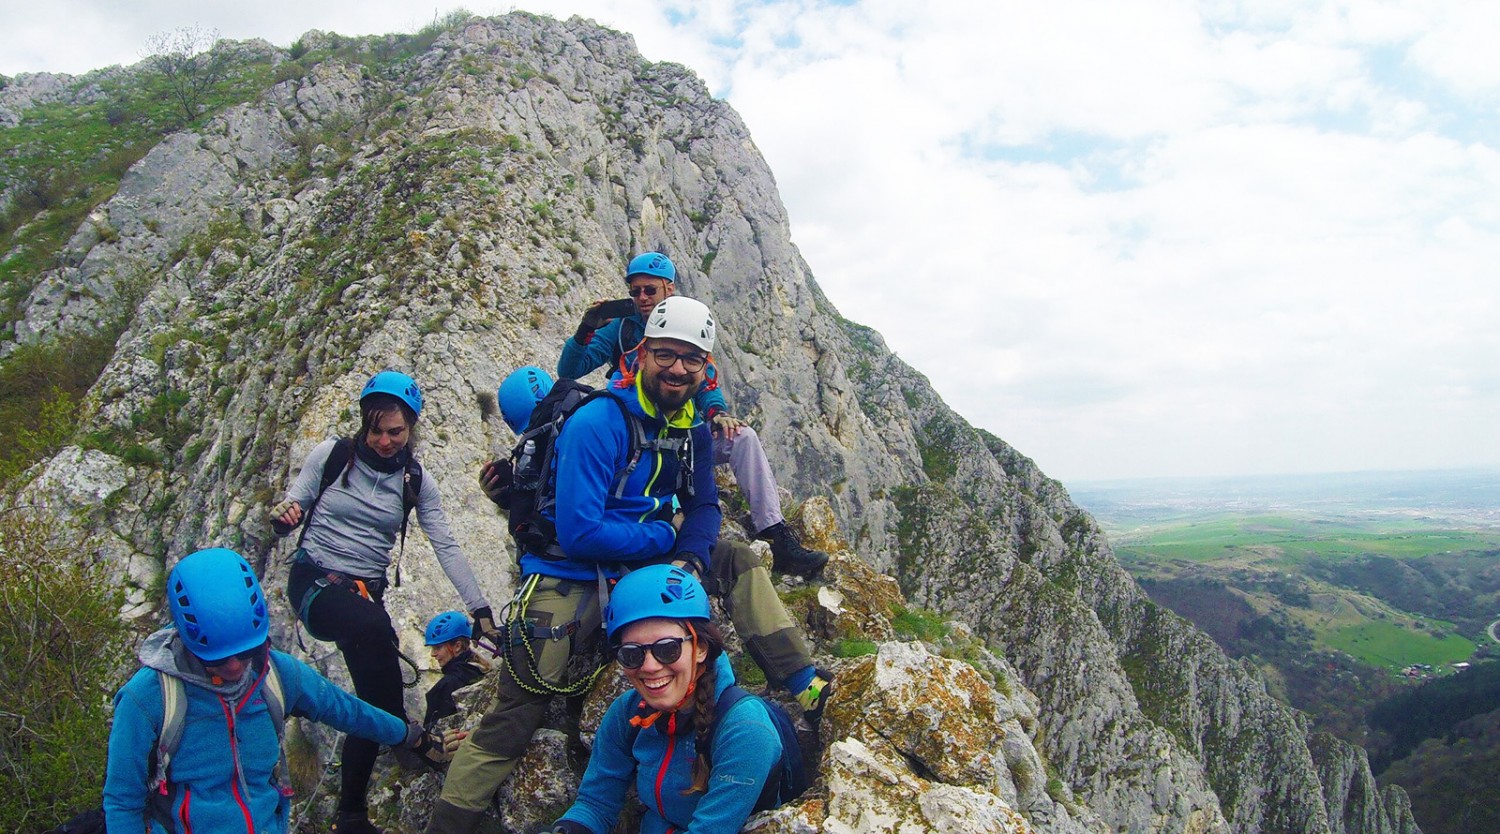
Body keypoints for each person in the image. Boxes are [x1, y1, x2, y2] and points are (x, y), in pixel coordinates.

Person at [428, 298, 827, 833]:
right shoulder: (598, 422)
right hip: (572, 571)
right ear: (641, 354)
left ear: (706, 368)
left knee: (731, 554)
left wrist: (688, 555)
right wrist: (666, 534)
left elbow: (705, 506)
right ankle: (448, 823)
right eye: (666, 354)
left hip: (647, 556)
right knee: (518, 706)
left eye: (692, 359)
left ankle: (804, 681)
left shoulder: (692, 431)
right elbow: (579, 530)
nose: (678, 368)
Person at [270, 370, 497, 834]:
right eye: (376, 430)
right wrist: (284, 518)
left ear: (411, 427)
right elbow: (294, 505)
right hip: (315, 581)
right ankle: (415, 744)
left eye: (395, 431)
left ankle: (351, 815)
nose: (385, 440)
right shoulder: (333, 456)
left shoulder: (416, 480)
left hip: (363, 597)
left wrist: (480, 609)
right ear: (363, 424)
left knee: (378, 702)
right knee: (377, 630)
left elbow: (445, 545)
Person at [103, 548, 452, 834]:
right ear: (188, 641)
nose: (238, 667)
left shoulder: (276, 673)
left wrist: (412, 737)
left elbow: (349, 712)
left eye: (247, 653)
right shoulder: (147, 699)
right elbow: (123, 803)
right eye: (220, 660)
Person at [558, 251, 828, 577]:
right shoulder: (619, 329)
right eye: (635, 291)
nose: (642, 297)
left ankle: (774, 532)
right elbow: (570, 370)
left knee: (742, 438)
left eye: (650, 290)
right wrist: (586, 330)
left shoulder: (689, 322)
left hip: (677, 435)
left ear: (668, 289)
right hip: (632, 435)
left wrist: (716, 412)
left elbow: (699, 378)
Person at [548, 565, 786, 834]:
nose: (649, 666)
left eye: (668, 649)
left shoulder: (745, 728)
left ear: (700, 648)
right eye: (632, 653)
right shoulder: (627, 712)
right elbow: (595, 803)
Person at [422, 610, 491, 728]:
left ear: (457, 646)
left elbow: (434, 731)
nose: (433, 654)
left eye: (438, 647)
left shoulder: (448, 684)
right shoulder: (482, 670)